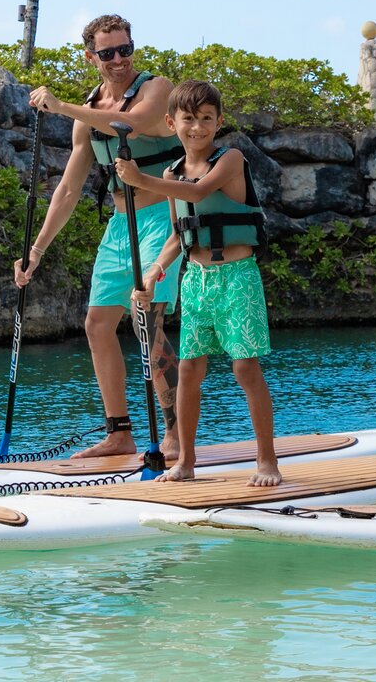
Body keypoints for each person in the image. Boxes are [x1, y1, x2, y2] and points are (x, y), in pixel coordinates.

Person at [13, 15, 183, 459]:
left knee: (148, 317)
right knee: (97, 324)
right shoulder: (87, 115)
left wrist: (63, 106)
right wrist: (35, 252)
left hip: (163, 220)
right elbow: (68, 189)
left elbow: (133, 122)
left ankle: (176, 433)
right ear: (91, 57)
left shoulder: (156, 88)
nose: (119, 59)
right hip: (118, 226)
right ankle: (119, 432)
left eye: (125, 49)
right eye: (107, 53)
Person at [122, 80, 279, 486]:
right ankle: (186, 462)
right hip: (197, 282)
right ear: (172, 122)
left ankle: (267, 462)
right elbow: (179, 234)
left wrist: (141, 181)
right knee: (189, 371)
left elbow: (201, 190)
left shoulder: (229, 160)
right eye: (188, 119)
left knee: (245, 368)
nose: (197, 128)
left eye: (206, 119)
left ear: (218, 122)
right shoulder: (172, 172)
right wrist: (154, 272)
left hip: (238, 279)